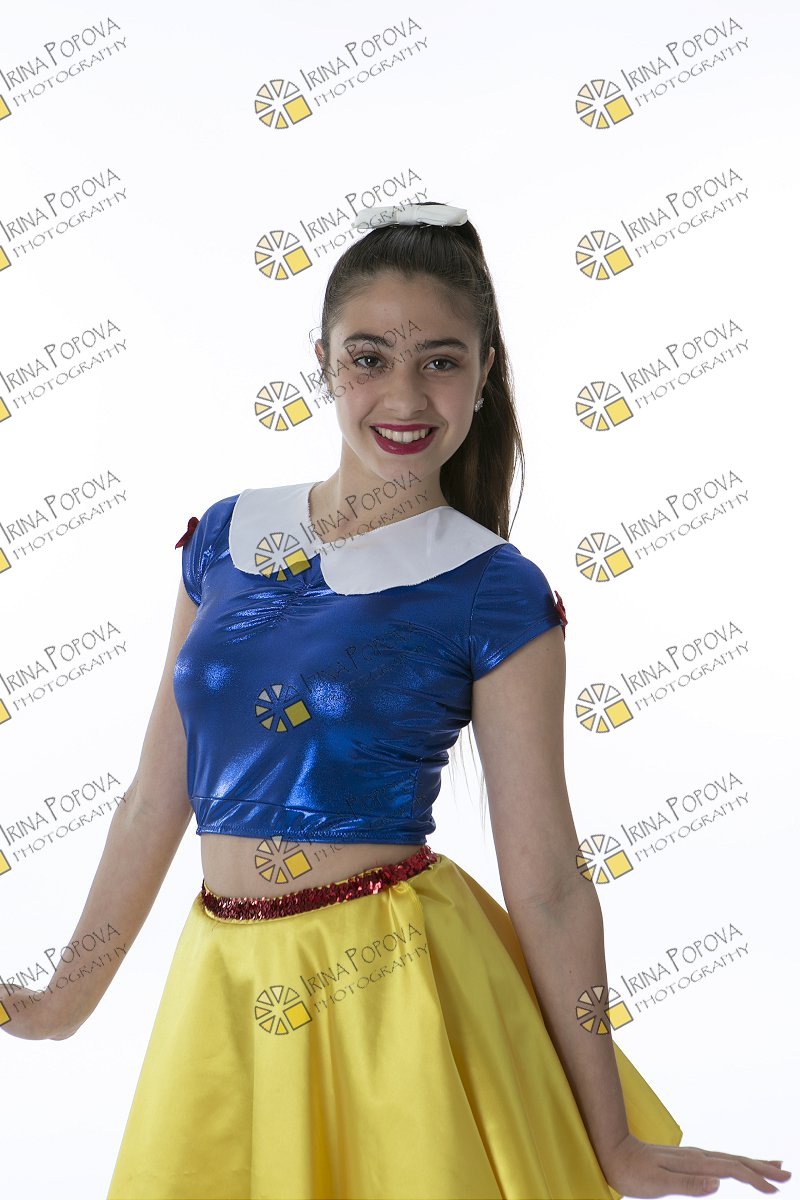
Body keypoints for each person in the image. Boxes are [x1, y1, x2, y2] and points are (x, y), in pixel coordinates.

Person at [2, 202, 790, 1200]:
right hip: (225, 986)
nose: (404, 395)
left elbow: (548, 882)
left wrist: (612, 1138)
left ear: (485, 372)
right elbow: (155, 799)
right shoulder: (225, 540)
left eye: (441, 361)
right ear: (323, 363)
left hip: (390, 990)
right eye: (369, 358)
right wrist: (61, 1004)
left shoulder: (494, 590)